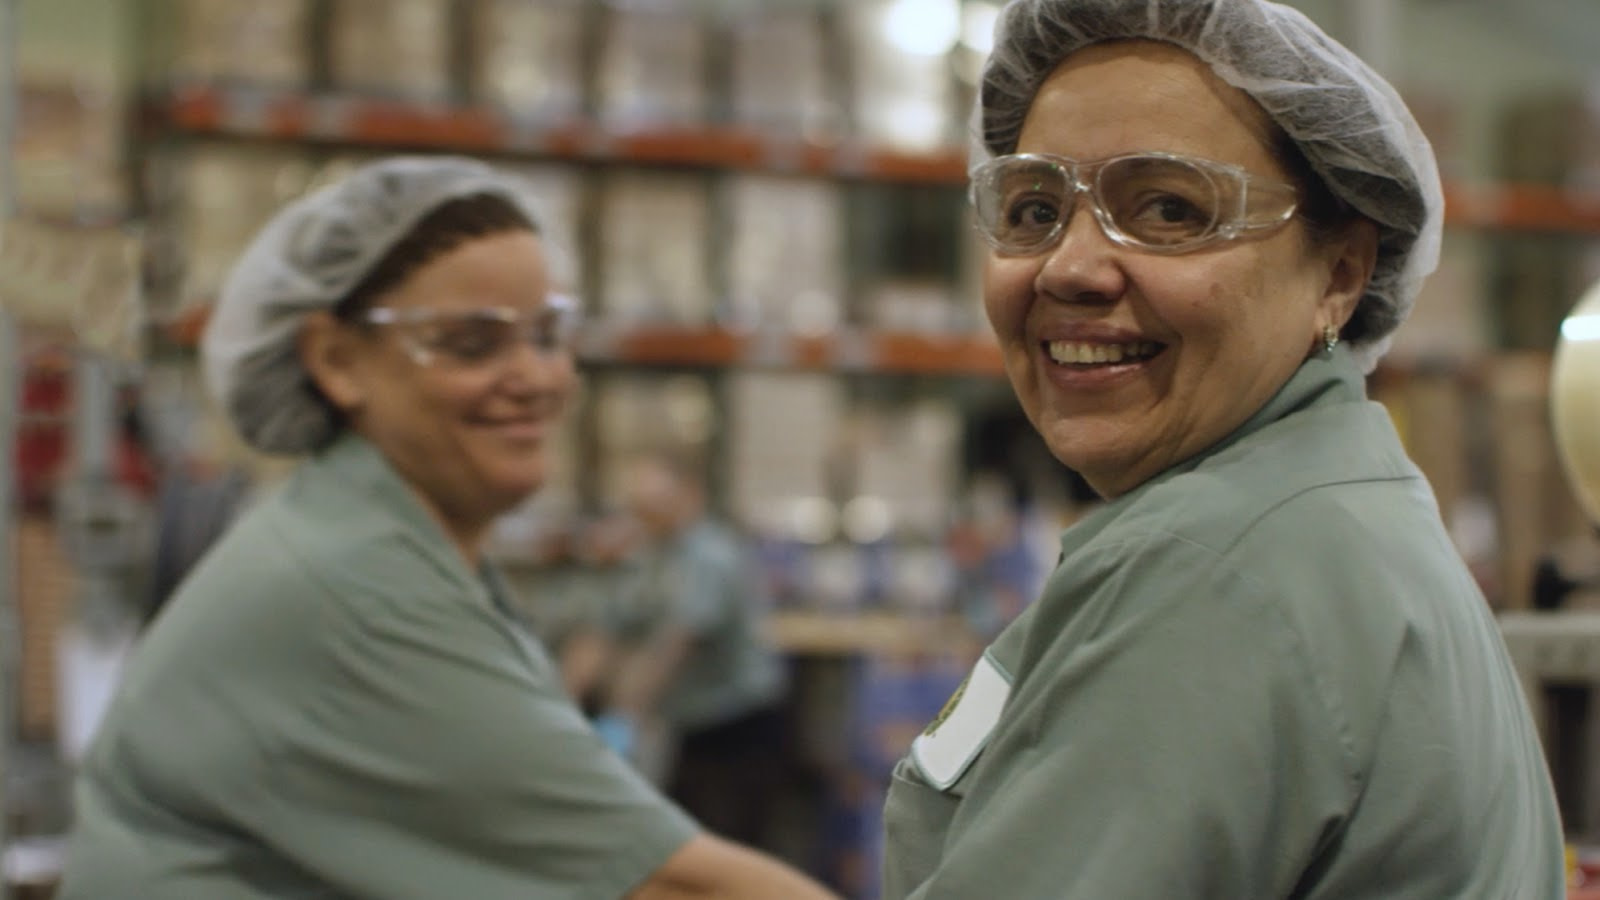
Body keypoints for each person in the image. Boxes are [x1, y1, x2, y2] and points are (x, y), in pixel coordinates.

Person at [881, 2, 1566, 898]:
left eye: (1169, 209)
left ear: (1340, 274)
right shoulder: (1336, 512)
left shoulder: (1216, 568)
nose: (1069, 267)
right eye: (1035, 209)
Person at [58, 156, 836, 900]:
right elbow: (670, 888)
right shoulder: (355, 588)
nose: (535, 378)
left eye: (547, 335)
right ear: (336, 359)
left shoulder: (392, 542)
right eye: (472, 342)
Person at [600, 452, 792, 852]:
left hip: (737, 723)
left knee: (731, 845)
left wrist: (623, 716)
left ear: (689, 496)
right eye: (638, 507)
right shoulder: (650, 554)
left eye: (656, 504)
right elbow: (609, 629)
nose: (646, 515)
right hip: (690, 723)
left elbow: (675, 645)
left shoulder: (710, 555)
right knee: (686, 836)